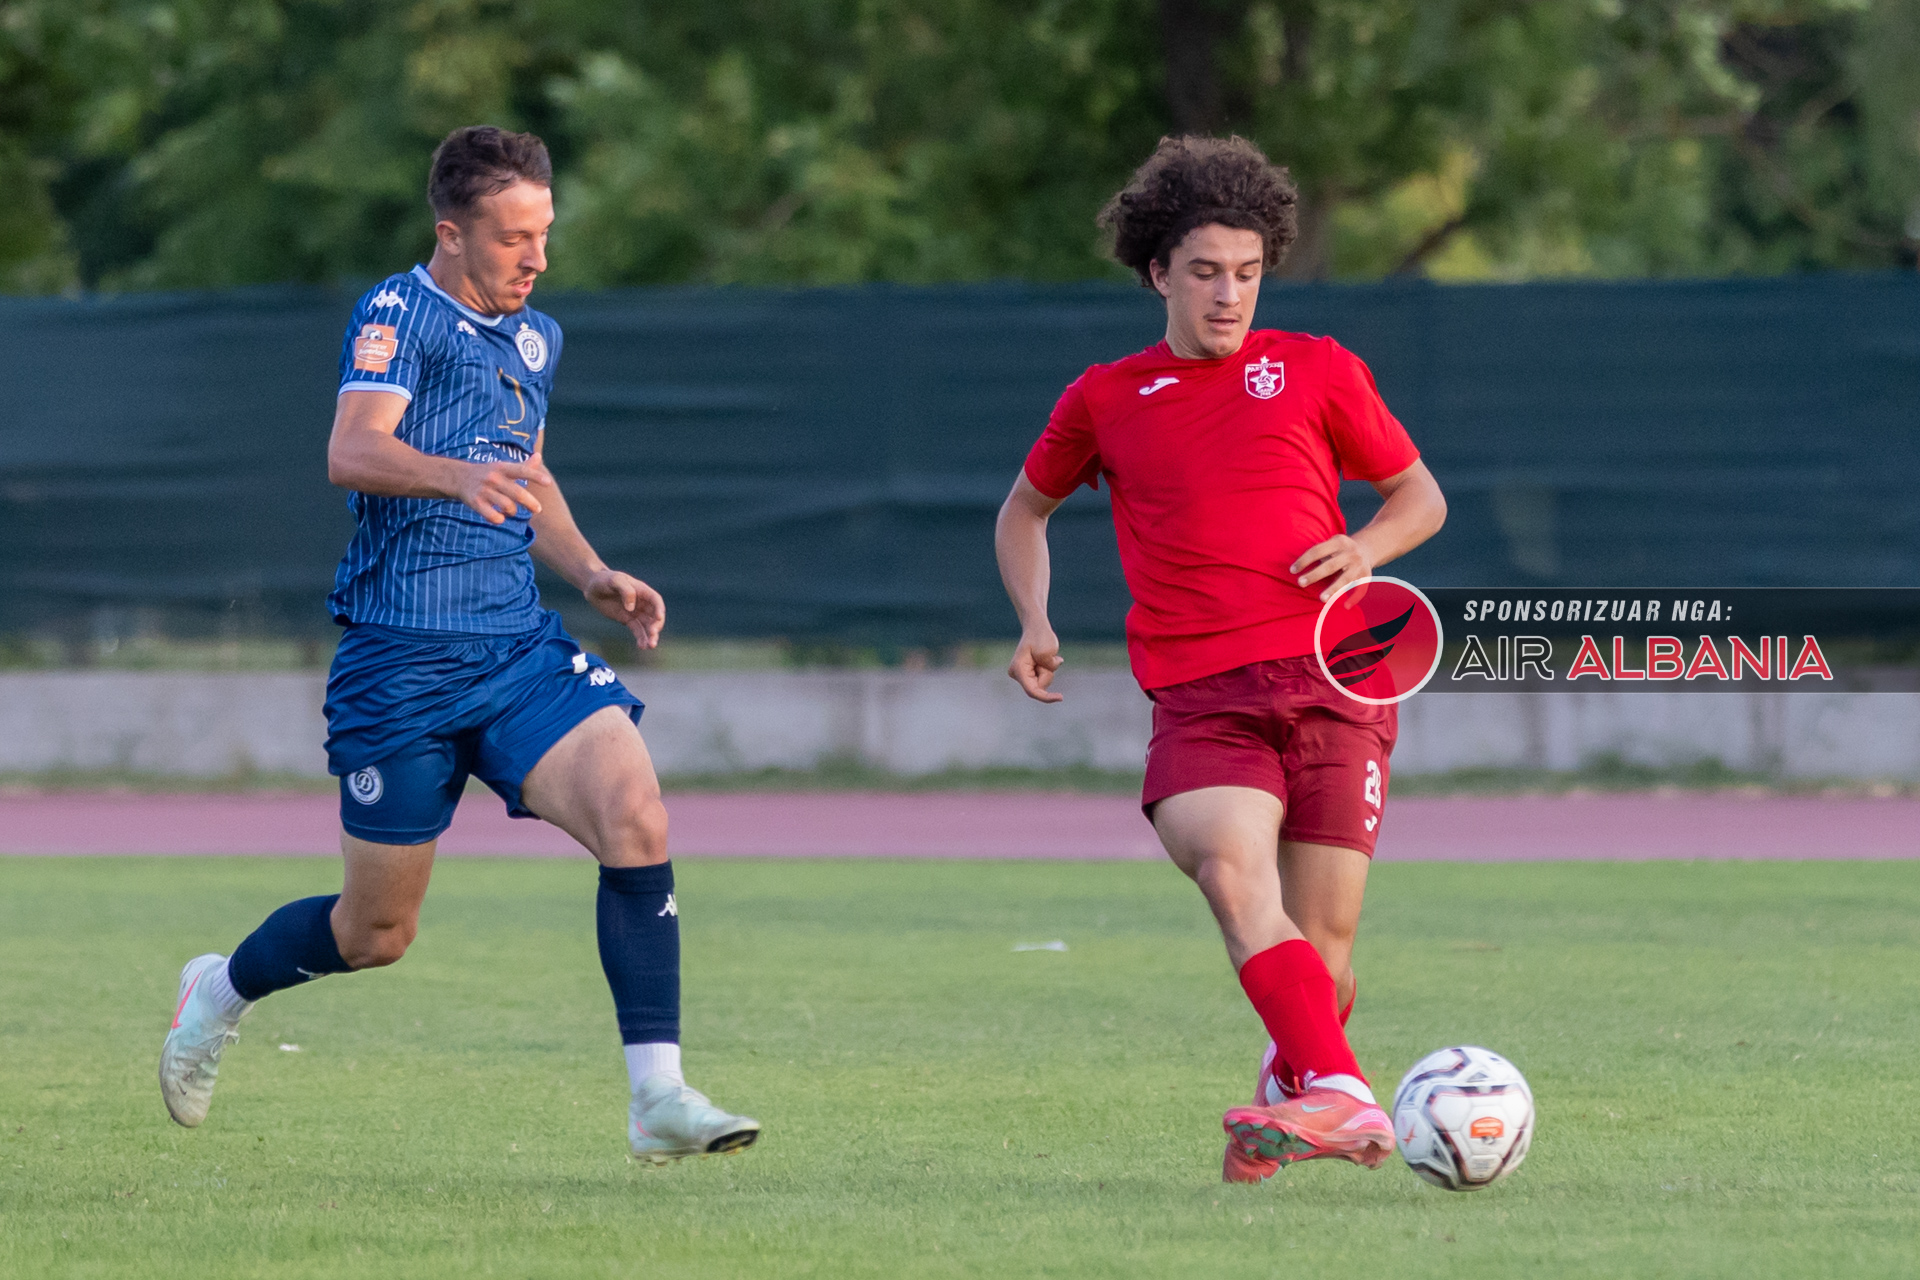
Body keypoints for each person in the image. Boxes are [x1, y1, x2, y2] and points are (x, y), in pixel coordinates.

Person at [158, 125, 759, 1164]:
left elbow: (528, 476)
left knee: (636, 811)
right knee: (375, 934)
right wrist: (452, 473)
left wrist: (590, 571)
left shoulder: (537, 338)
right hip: (400, 661)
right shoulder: (398, 313)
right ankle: (217, 992)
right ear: (452, 233)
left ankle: (656, 1095)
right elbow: (352, 449)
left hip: (515, 648)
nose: (537, 258)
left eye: (544, 234)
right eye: (514, 238)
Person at [994, 135, 1447, 1182]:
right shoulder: (1106, 397)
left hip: (1339, 681)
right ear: (1159, 272)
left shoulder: (1320, 367)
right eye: (1205, 271)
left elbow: (1420, 495)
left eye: (1247, 272)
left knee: (1323, 959)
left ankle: (1291, 1095)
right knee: (1235, 875)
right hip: (1205, 699)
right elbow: (1023, 511)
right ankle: (1344, 1094)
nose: (1229, 294)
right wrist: (1034, 618)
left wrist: (1366, 548)